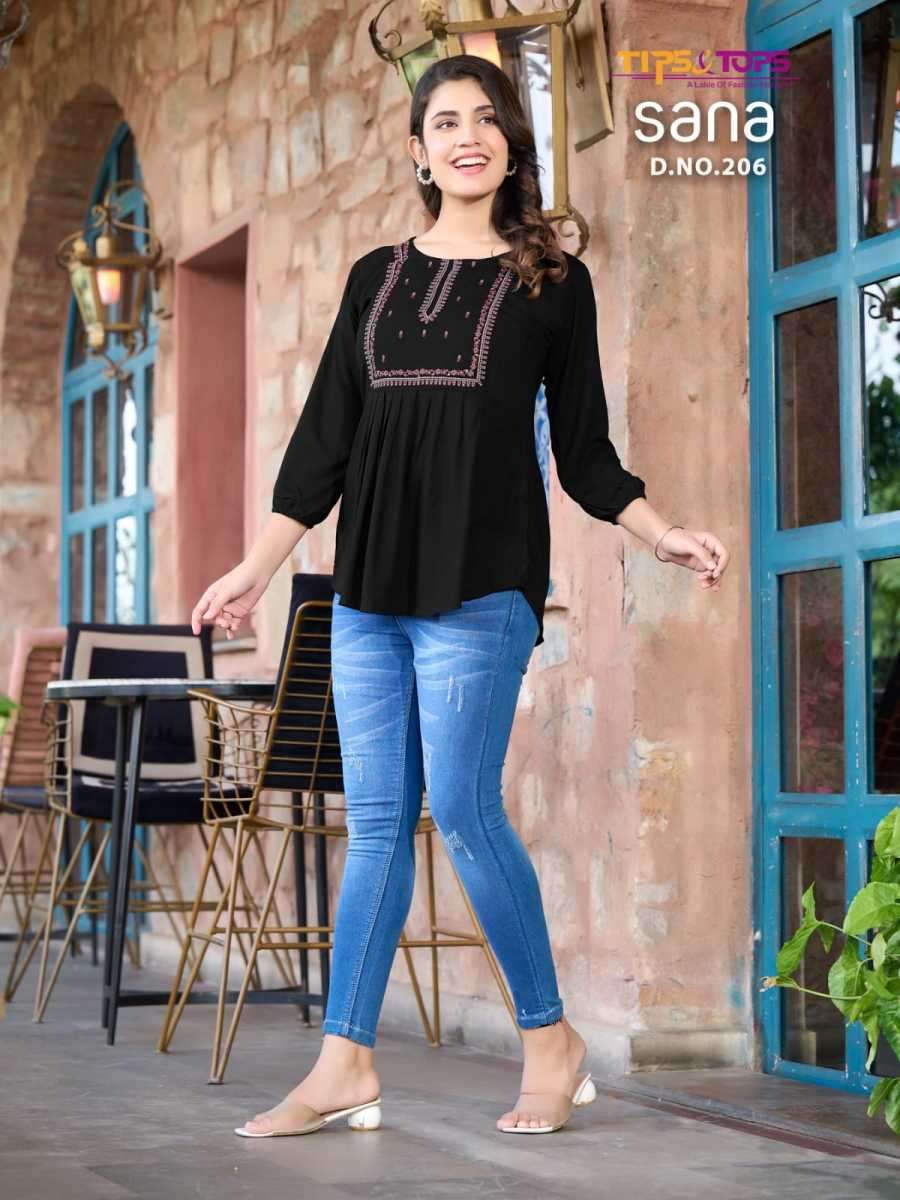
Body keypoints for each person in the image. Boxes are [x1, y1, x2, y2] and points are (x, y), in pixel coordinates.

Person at [191, 54, 729, 1138]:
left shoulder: (553, 284)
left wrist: (660, 531)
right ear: (418, 150)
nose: (466, 136)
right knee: (377, 825)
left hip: (482, 588)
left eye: (486, 119)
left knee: (467, 812)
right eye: (445, 122)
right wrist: (256, 567)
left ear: (511, 145)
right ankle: (345, 1062)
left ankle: (550, 1040)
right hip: (367, 591)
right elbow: (323, 446)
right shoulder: (374, 278)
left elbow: (583, 450)